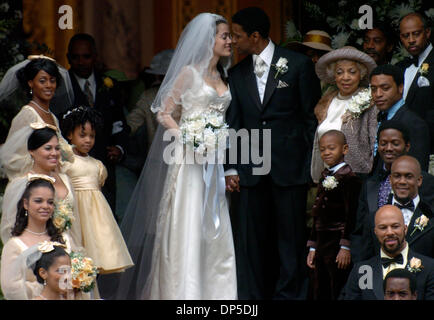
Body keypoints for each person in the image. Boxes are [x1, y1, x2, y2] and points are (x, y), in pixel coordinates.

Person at [109, 12, 236, 300]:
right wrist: (189, 138)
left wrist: (212, 143)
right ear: (208, 40)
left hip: (213, 162)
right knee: (189, 221)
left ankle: (216, 293)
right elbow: (163, 112)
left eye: (229, 36)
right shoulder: (189, 73)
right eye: (224, 36)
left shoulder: (222, 75)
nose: (230, 41)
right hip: (190, 161)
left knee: (213, 221)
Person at [226, 7, 320, 299]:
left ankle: (290, 296)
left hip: (288, 168)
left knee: (290, 241)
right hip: (250, 171)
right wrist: (232, 167)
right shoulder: (236, 73)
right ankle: (254, 298)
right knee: (253, 242)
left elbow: (310, 120)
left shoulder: (298, 65)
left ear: (255, 36)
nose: (233, 41)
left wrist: (308, 167)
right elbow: (234, 123)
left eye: (237, 35)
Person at [58, 33, 131, 213]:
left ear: (95, 56)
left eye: (86, 56)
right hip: (73, 167)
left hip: (104, 166)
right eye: (75, 57)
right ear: (68, 58)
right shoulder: (60, 86)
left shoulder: (109, 85)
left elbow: (119, 123)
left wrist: (119, 148)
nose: (81, 62)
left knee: (105, 217)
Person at [60, 106, 133, 275]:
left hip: (95, 215)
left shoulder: (97, 165)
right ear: (70, 135)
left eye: (92, 136)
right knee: (79, 248)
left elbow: (98, 187)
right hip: (76, 210)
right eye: (82, 135)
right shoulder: (66, 161)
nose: (88, 140)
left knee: (97, 248)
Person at [352, 121, 434, 263]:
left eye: (395, 143)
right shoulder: (369, 184)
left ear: (407, 146)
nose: (388, 148)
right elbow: (360, 233)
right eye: (384, 143)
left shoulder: (427, 182)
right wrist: (365, 276)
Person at [0, 126, 82, 251]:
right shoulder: (21, 184)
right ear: (32, 151)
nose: (54, 153)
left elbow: (75, 224)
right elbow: (9, 227)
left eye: (57, 148)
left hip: (68, 247)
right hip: (36, 251)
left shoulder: (65, 179)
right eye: (48, 148)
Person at [306, 130, 361, 300]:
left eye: (331, 148)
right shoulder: (325, 176)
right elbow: (317, 214)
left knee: (336, 286)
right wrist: (313, 246)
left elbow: (351, 214)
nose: (326, 153)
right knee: (319, 286)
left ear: (344, 149)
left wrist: (345, 246)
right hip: (322, 242)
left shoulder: (349, 179)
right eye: (322, 149)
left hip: (337, 243)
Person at [0, 56, 74, 180]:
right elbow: (12, 158)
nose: (49, 85)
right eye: (42, 81)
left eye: (52, 80)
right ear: (31, 83)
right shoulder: (27, 115)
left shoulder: (52, 116)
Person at [311, 46, 377, 182]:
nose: (345, 77)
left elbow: (375, 142)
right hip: (327, 174)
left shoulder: (369, 102)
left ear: (361, 74)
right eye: (340, 72)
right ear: (334, 76)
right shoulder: (327, 102)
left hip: (356, 177)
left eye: (352, 72)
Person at [341, 205, 434, 300]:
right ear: (375, 232)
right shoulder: (363, 271)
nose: (389, 232)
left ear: (405, 229)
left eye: (395, 226)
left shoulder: (430, 268)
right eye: (383, 228)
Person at [0, 178, 72, 300]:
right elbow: (11, 289)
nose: (45, 206)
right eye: (38, 201)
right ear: (26, 204)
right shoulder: (14, 245)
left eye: (50, 202)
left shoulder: (64, 238)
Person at [370, 64, 430, 172]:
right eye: (374, 89)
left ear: (400, 88)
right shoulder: (378, 117)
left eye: (385, 88)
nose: (378, 94)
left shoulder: (414, 124)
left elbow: (418, 172)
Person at [124, 49, 174, 174]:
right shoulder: (149, 97)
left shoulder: (191, 96)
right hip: (157, 164)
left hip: (187, 161)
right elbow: (131, 123)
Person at [396, 13, 434, 157]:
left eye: (416, 34)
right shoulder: (401, 67)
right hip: (401, 149)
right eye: (406, 36)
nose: (411, 40)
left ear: (427, 32)